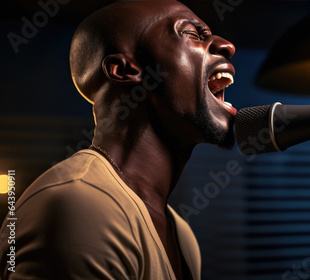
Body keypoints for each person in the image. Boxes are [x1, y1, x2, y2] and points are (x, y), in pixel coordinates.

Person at [0, 0, 237, 279]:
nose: (227, 46)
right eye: (193, 34)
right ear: (125, 70)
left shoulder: (182, 234)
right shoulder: (82, 207)